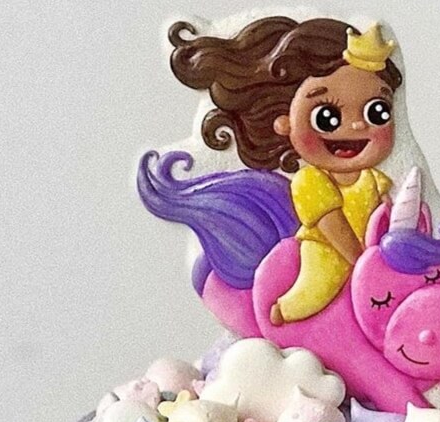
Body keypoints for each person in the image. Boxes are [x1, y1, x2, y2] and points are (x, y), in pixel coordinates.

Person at [169, 17, 400, 323]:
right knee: (319, 287)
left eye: (377, 112)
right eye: (327, 117)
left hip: (370, 254)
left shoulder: (373, 177)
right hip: (327, 251)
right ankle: (282, 312)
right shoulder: (310, 179)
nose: (357, 126)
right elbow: (332, 225)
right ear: (284, 122)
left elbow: (387, 212)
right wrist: (363, 264)